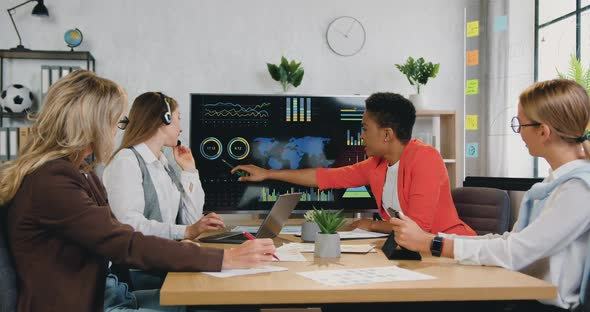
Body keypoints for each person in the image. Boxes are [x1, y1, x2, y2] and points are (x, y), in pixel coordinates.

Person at [0, 70, 275, 312]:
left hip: (111, 293)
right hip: (95, 304)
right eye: (114, 122)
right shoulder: (51, 181)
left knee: (232, 303)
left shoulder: (80, 174)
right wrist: (224, 258)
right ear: (91, 124)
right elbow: (124, 240)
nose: (116, 131)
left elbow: (122, 236)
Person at [390, 79, 590, 311]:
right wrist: (435, 239)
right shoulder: (554, 182)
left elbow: (516, 252)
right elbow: (508, 242)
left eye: (520, 125)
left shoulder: (579, 189)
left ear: (543, 132)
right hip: (523, 293)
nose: (520, 134)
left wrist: (433, 244)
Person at [233, 92, 476, 236]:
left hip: (448, 251)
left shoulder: (426, 158)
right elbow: (324, 178)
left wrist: (371, 224)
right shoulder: (377, 165)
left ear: (387, 134)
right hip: (413, 250)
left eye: (365, 128)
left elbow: (417, 228)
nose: (361, 135)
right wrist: (267, 173)